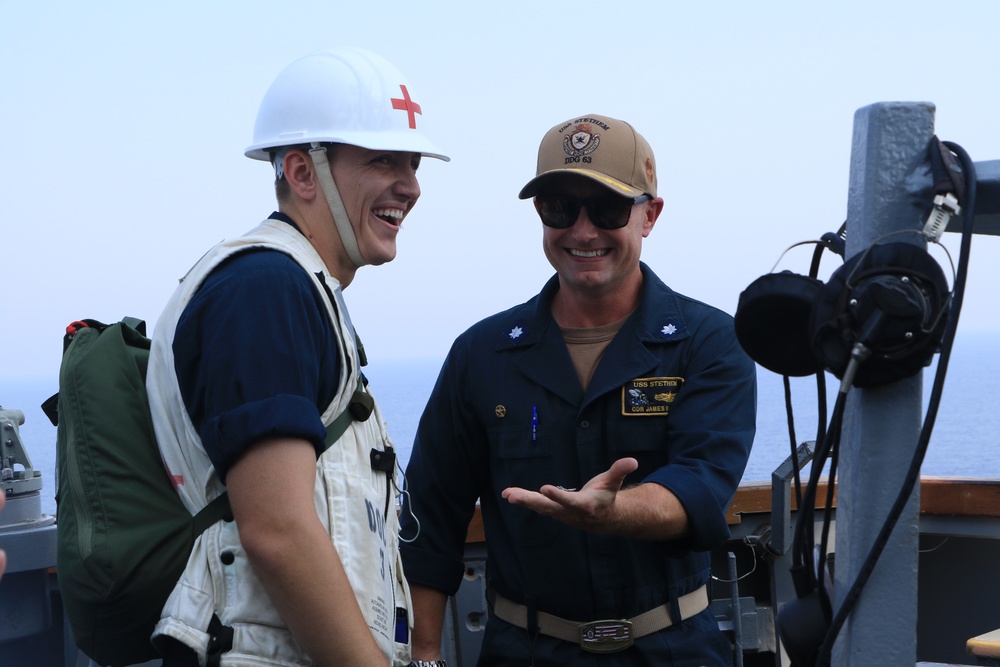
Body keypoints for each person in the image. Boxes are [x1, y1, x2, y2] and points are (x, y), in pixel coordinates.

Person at [399, 114, 756, 666]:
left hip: (674, 650)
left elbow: (703, 484)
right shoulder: (481, 354)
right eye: (560, 208)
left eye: (608, 209)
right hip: (525, 652)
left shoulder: (708, 342)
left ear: (650, 216)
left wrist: (613, 512)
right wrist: (423, 657)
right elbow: (431, 517)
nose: (583, 231)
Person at [146, 47, 448, 667]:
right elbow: (277, 530)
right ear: (302, 173)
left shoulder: (297, 288)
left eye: (413, 164)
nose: (410, 186)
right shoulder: (267, 290)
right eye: (382, 160)